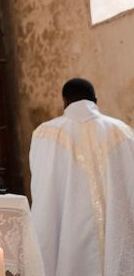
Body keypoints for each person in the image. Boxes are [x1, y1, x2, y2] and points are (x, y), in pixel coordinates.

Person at [29, 78, 134, 276]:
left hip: (69, 238)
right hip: (116, 235)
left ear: (65, 102)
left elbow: (42, 191)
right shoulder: (123, 132)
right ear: (95, 99)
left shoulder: (46, 134)